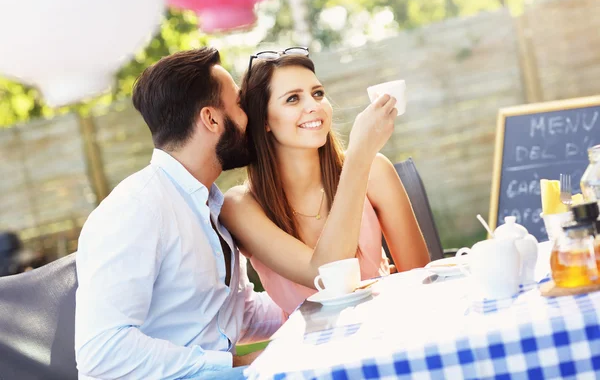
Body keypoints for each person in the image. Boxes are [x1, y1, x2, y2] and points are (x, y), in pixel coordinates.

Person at [75, 48, 285, 380]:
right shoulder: (135, 210)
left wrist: (320, 300)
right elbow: (104, 353)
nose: (251, 119)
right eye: (240, 106)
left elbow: (237, 315)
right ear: (211, 119)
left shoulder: (210, 204)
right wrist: (234, 365)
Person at [221, 48, 430, 315]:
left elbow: (422, 279)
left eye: (317, 93)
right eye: (293, 99)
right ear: (264, 121)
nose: (313, 106)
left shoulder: (374, 170)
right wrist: (359, 156)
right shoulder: (239, 206)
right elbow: (327, 275)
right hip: (313, 353)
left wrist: (361, 159)